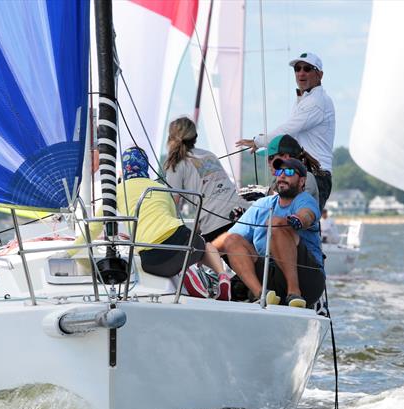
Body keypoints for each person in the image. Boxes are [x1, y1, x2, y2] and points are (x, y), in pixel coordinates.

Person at [77, 146, 233, 299]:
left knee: (173, 259)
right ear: (145, 165)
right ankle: (222, 276)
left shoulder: (117, 190)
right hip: (181, 238)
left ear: (125, 168)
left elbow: (96, 226)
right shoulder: (161, 188)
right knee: (204, 246)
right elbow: (173, 218)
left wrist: (70, 251)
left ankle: (183, 271)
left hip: (152, 258)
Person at [217, 157, 325, 308]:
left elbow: (307, 214)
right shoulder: (263, 204)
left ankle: (294, 293)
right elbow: (226, 240)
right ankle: (261, 294)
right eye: (279, 171)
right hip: (272, 278)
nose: (282, 175)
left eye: (288, 171)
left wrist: (297, 220)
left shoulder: (304, 199)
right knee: (232, 241)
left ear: (301, 181)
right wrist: (201, 250)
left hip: (307, 279)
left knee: (276, 223)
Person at [236, 52, 335, 209]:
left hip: (315, 175)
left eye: (307, 68)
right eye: (297, 68)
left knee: (297, 224)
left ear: (320, 74)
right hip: (300, 171)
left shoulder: (317, 101)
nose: (301, 72)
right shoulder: (305, 100)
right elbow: (290, 133)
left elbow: (288, 130)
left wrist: (258, 141)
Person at [163, 117, 247, 246]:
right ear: (195, 137)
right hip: (242, 215)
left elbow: (172, 206)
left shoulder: (175, 165)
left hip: (216, 226)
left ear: (170, 138)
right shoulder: (209, 155)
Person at [267, 134, 320, 204]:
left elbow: (294, 204)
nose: (268, 163)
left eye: (270, 158)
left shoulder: (307, 177)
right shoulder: (276, 180)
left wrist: (269, 194)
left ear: (286, 157)